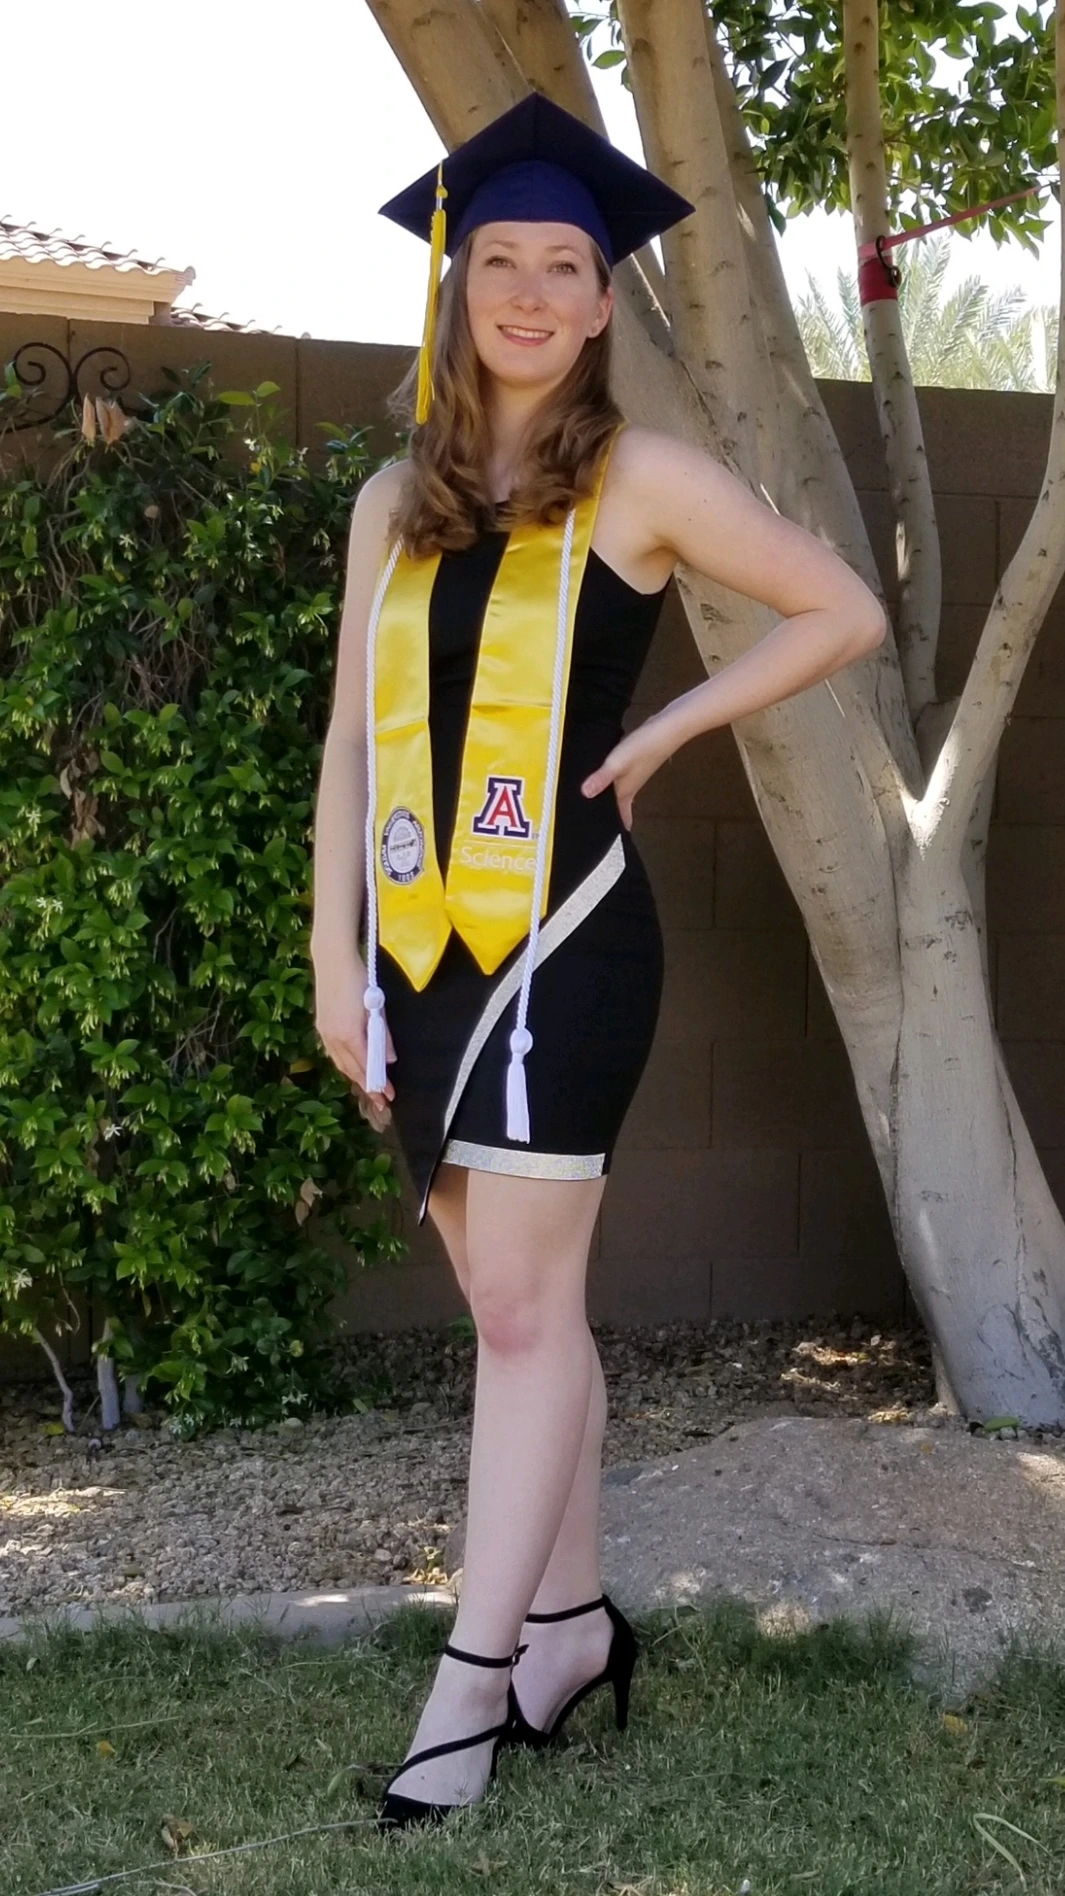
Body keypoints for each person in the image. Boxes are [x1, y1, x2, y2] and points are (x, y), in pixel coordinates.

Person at [310, 91, 887, 1831]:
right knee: (525, 1311)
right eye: (505, 261)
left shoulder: (638, 478)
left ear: (604, 296)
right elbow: (349, 742)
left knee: (516, 1313)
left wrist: (671, 731)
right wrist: (328, 959)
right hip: (418, 941)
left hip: (568, 939)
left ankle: (468, 1696)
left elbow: (838, 609)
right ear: (458, 283)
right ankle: (565, 1629)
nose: (537, 293)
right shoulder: (388, 504)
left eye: (570, 265)